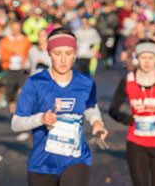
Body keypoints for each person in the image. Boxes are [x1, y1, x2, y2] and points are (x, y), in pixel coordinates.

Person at [11, 28, 108, 186]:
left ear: (75, 54)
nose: (63, 60)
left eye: (68, 53)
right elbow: (16, 124)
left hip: (77, 159)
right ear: (49, 53)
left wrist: (97, 121)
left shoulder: (86, 82)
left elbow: (90, 106)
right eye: (57, 53)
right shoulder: (35, 83)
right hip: (42, 163)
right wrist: (41, 119)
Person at [109, 38, 155, 186]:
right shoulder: (128, 80)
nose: (147, 62)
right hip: (136, 143)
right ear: (137, 58)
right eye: (143, 57)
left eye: (150, 57)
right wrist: (124, 118)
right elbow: (113, 109)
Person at [0, 21, 31, 114]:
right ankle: (12, 110)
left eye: (17, 29)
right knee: (11, 92)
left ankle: (19, 109)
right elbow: (2, 55)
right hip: (10, 69)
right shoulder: (5, 41)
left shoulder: (25, 40)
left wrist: (26, 62)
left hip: (22, 69)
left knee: (21, 89)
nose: (16, 31)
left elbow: (29, 53)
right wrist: (11, 55)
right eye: (14, 29)